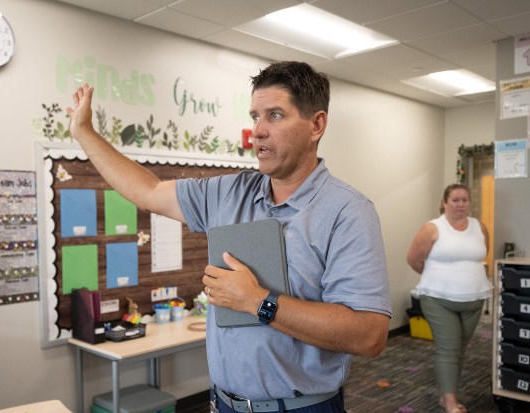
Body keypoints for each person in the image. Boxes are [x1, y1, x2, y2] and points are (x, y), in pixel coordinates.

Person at [67, 61, 391, 413]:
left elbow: (369, 334)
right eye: (255, 116)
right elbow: (147, 191)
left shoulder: (348, 211)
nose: (258, 131)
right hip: (223, 403)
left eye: (276, 115)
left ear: (316, 124)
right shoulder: (227, 193)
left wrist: (257, 301)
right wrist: (85, 132)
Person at [407, 183, 492, 413]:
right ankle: (450, 401)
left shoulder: (479, 227)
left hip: (474, 299)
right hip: (438, 299)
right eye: (455, 200)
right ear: (445, 202)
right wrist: (440, 278)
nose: (460, 204)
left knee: (460, 349)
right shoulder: (432, 228)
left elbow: (482, 256)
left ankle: (448, 393)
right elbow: (414, 259)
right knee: (449, 349)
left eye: (465, 200)